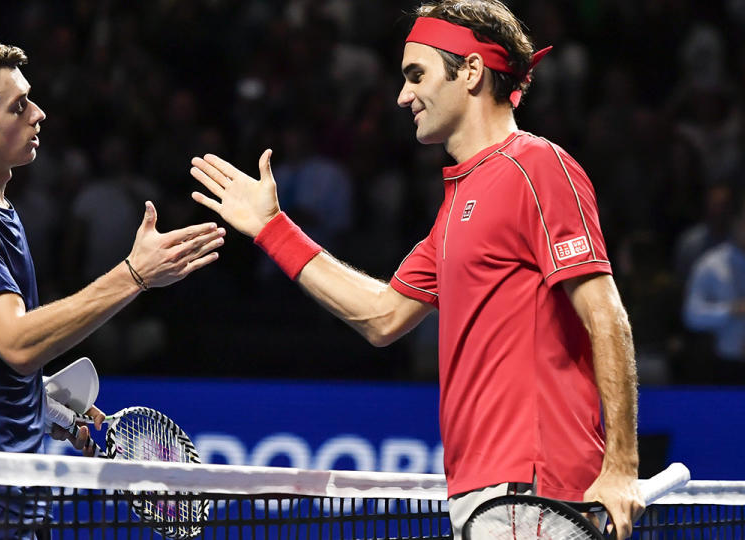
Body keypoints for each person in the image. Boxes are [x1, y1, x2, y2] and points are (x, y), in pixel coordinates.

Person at [189, 1, 643, 538]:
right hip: (485, 498)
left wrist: (621, 468)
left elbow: (605, 313)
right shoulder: (457, 205)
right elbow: (381, 316)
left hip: (535, 491)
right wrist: (272, 229)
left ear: (471, 72)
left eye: (416, 75)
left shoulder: (537, 166)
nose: (403, 95)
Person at [0, 35, 225, 535]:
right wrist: (133, 275)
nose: (39, 113)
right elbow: (15, 343)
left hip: (13, 499)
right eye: (19, 106)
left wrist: (49, 409)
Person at [683, 197, 745, 383]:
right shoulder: (711, 265)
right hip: (727, 364)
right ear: (736, 223)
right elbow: (691, 315)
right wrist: (730, 310)